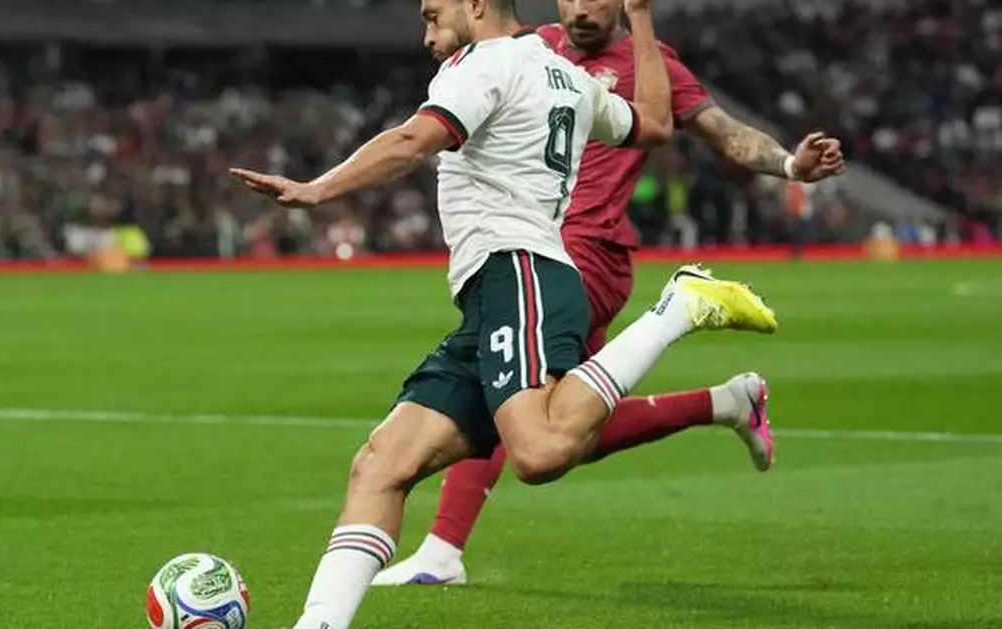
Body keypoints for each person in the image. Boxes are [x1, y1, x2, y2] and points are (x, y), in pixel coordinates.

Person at [231, 0, 777, 627]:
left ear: (477, 5)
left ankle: (678, 307)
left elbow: (414, 140)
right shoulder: (564, 73)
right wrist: (642, 18)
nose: (427, 33)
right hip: (498, 291)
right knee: (382, 466)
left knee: (540, 452)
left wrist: (318, 188)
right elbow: (654, 123)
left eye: (435, 15)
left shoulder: (484, 65)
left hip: (518, 271)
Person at [372, 0, 846, 587]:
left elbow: (721, 131)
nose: (577, 8)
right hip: (541, 246)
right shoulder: (530, 47)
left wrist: (791, 166)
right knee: (575, 434)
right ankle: (727, 402)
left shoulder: (650, 62)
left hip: (586, 251)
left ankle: (443, 548)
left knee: (508, 387)